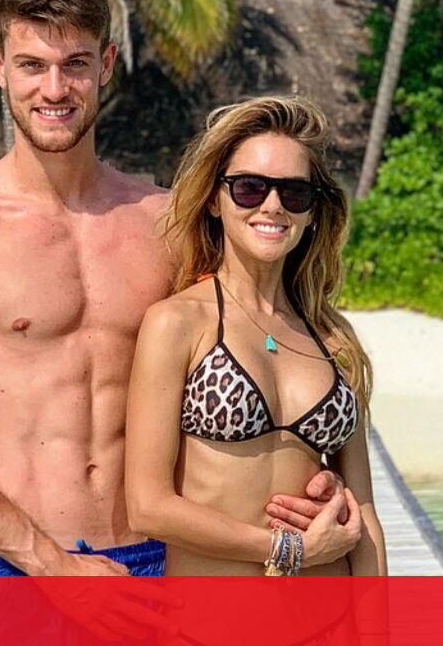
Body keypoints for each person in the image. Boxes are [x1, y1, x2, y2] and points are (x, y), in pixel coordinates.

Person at [0, 0, 346, 604]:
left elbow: (262, 348)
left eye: (75, 63)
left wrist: (313, 470)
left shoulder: (168, 223)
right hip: (10, 565)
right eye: (32, 65)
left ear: (105, 64)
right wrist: (51, 565)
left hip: (160, 562)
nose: (55, 89)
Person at [124, 96, 387, 582]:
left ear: (312, 211)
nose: (272, 205)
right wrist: (288, 549)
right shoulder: (178, 324)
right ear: (214, 200)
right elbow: (148, 506)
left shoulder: (333, 338)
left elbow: (363, 514)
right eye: (249, 188)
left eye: (295, 193)